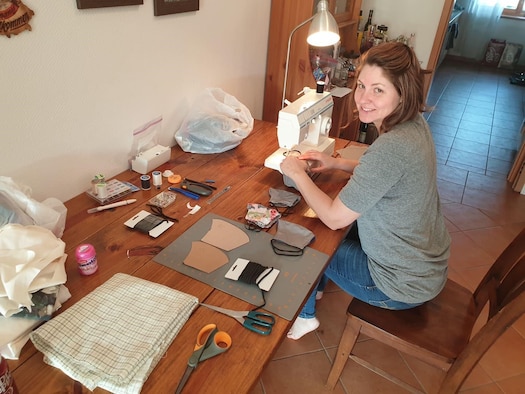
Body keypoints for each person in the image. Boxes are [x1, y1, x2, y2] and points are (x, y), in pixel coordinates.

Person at [280, 41, 451, 340]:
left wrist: (296, 172)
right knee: (336, 226)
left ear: (403, 92)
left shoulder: (392, 148)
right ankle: (316, 288)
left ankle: (305, 316)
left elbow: (334, 218)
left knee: (306, 237)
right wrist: (336, 163)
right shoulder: (414, 126)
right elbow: (386, 177)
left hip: (397, 286)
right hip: (422, 267)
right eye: (361, 85)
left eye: (378, 90)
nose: (363, 98)